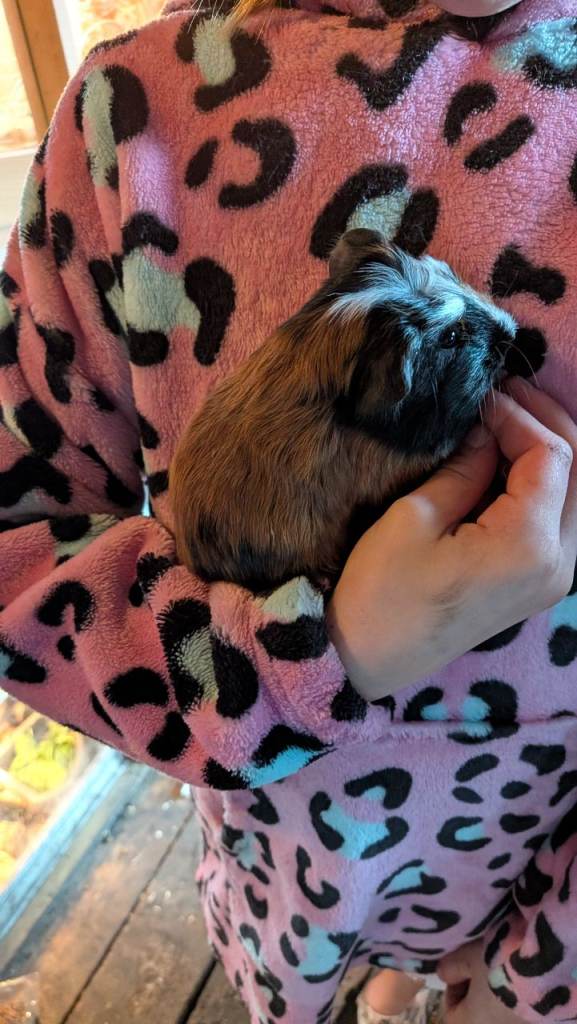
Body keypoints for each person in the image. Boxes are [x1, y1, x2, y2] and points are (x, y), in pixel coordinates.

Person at [0, 0, 576, 1020]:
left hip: (543, 869)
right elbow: (16, 555)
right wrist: (315, 657)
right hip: (287, 866)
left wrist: (538, 981)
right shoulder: (127, 117)